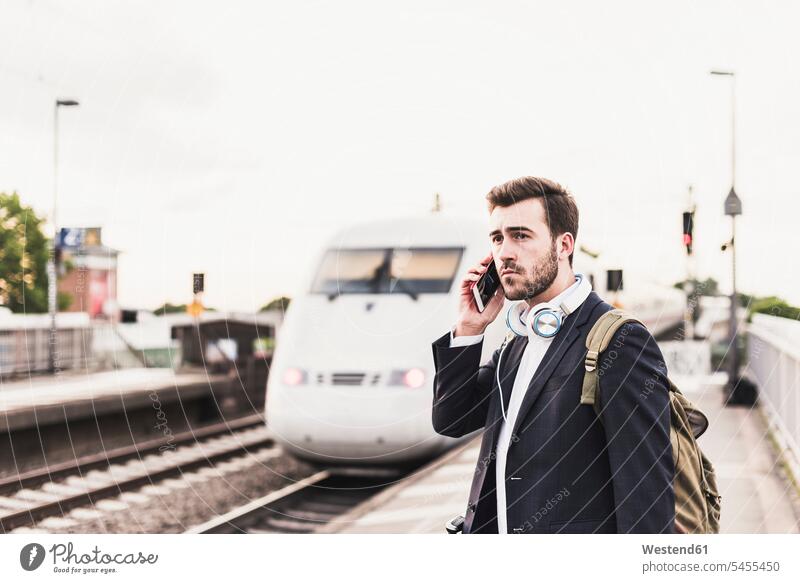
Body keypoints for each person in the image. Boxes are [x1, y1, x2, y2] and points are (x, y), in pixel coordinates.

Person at [431, 176, 675, 534]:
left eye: (521, 235)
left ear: (563, 245)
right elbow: (451, 419)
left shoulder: (619, 341)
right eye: (497, 238)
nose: (504, 253)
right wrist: (470, 328)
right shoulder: (518, 344)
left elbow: (646, 496)